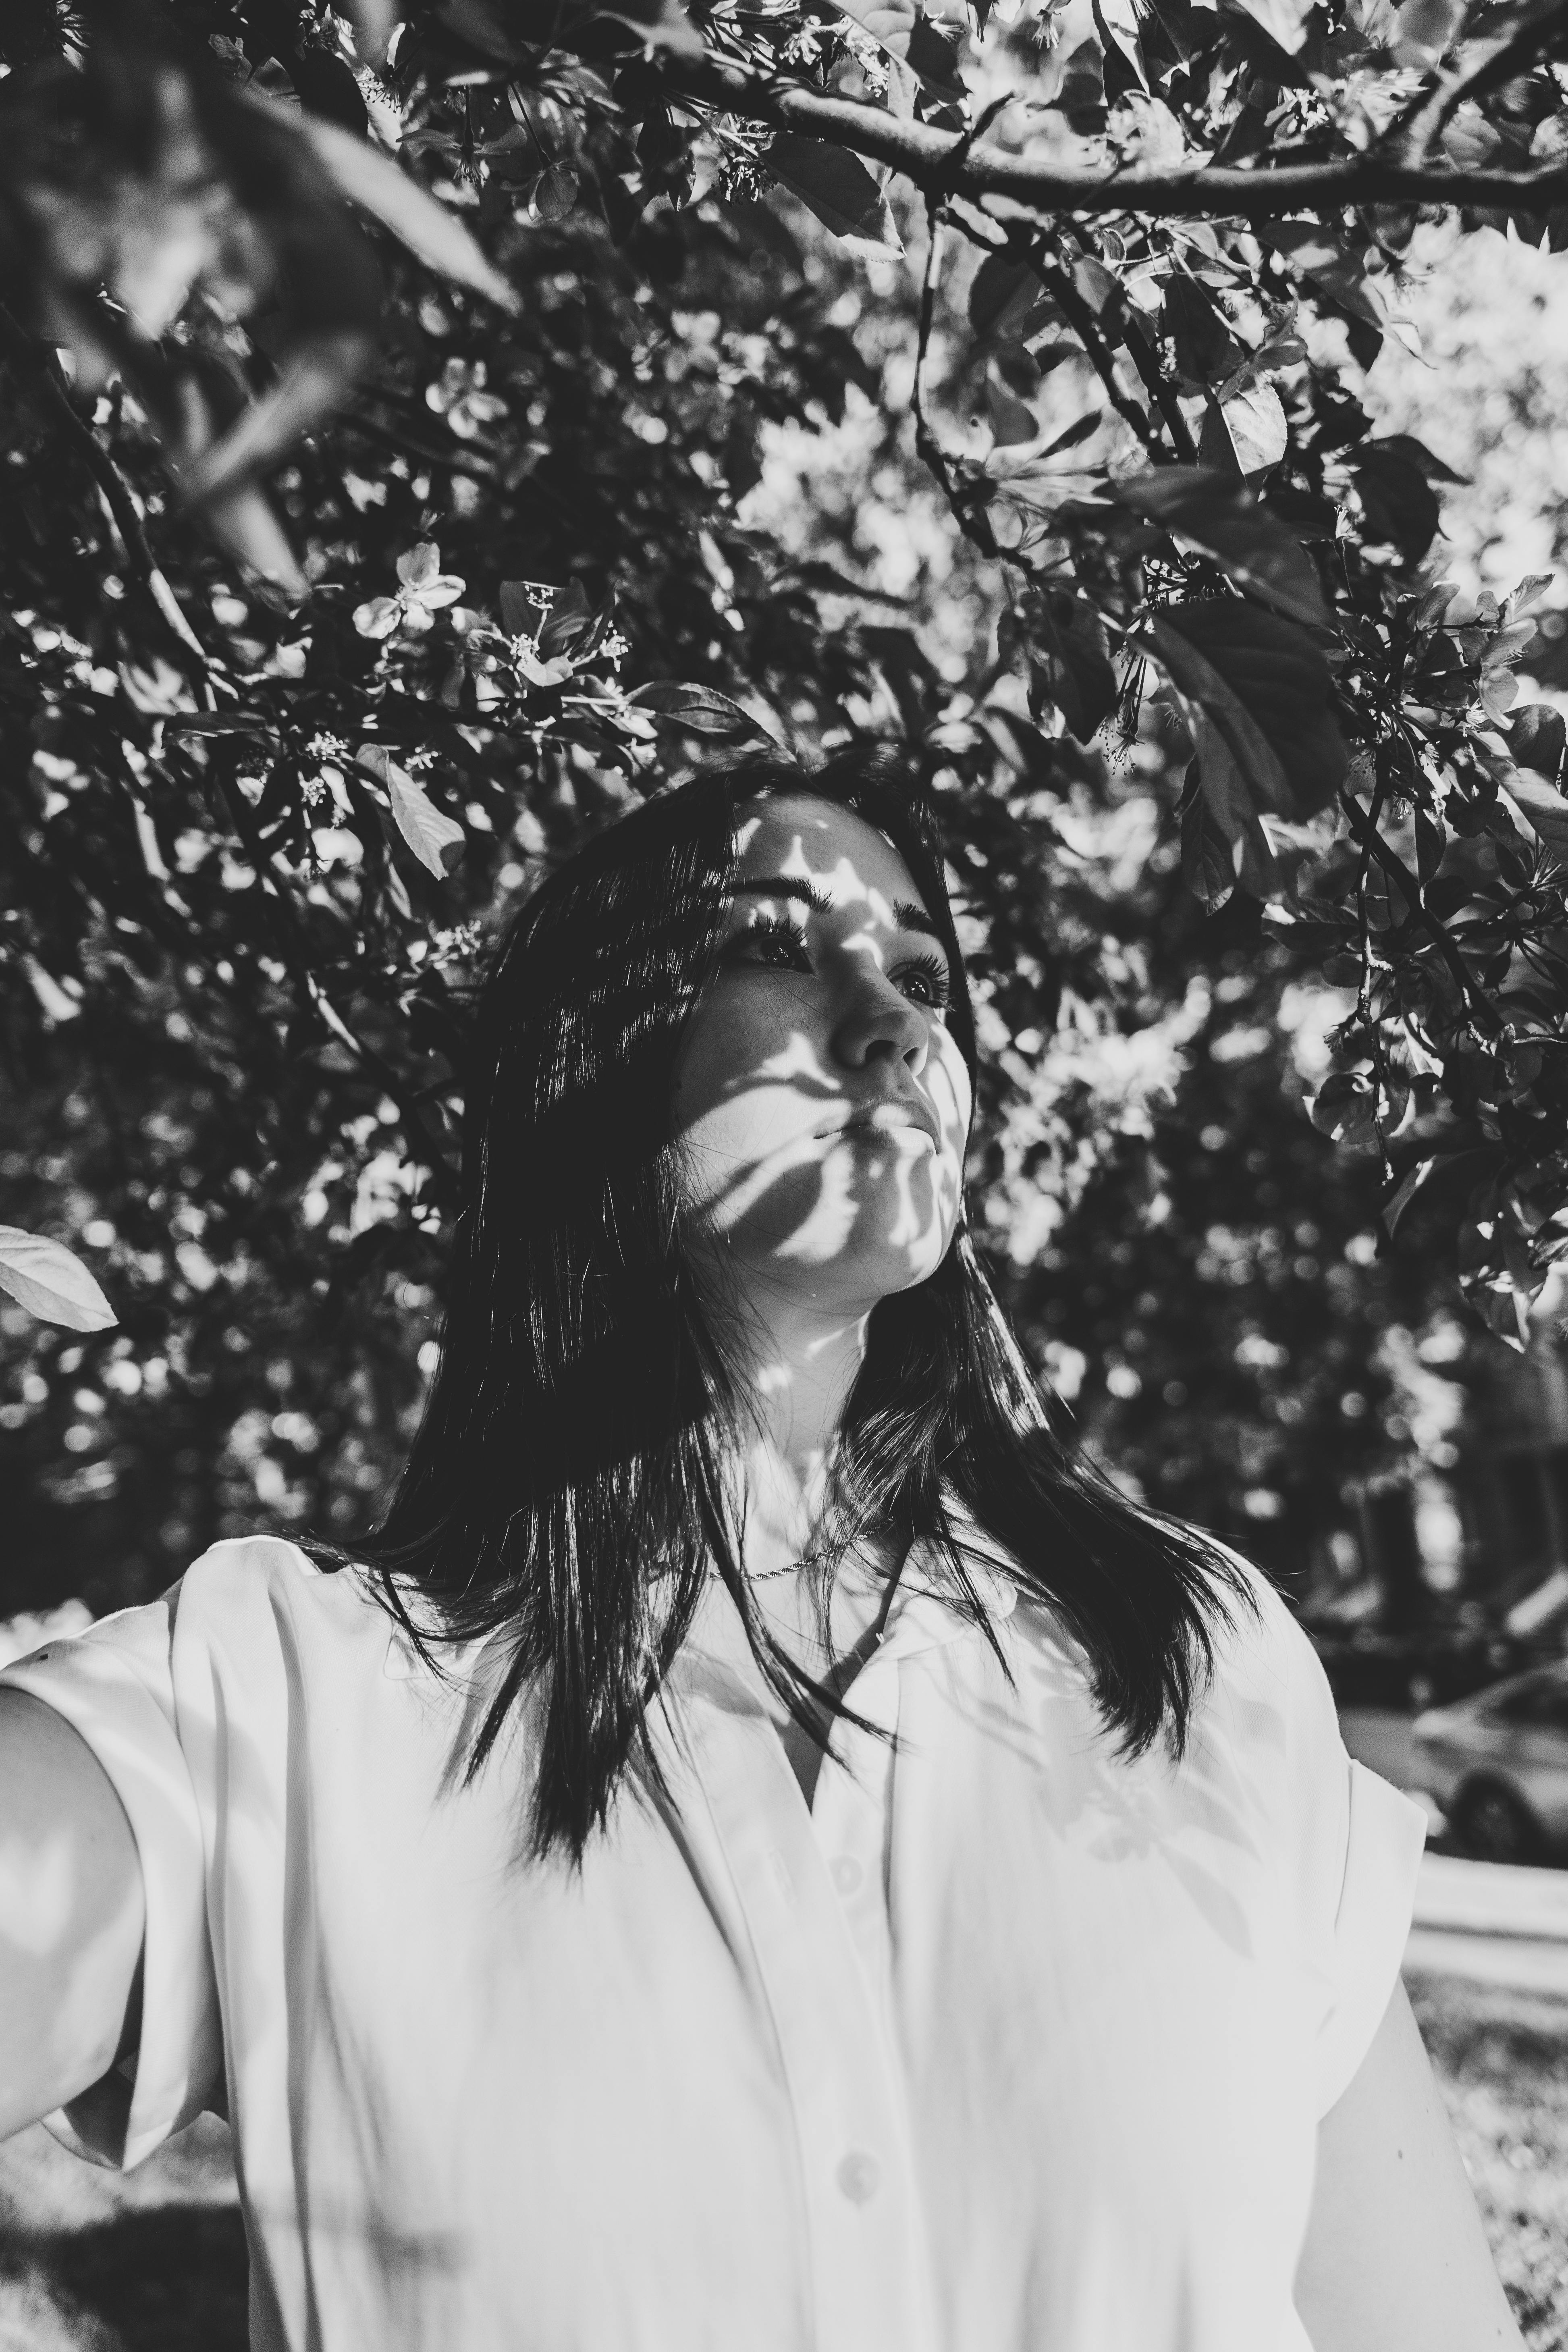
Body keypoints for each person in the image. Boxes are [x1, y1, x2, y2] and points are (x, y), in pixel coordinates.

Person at [0, 749, 1524, 2352]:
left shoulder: (1201, 1662)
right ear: (597, 1058)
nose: (895, 1021)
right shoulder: (287, 1703)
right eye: (779, 947)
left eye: (924, 972)